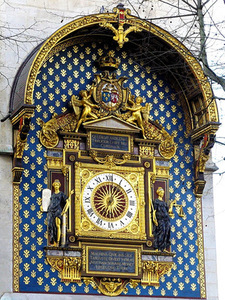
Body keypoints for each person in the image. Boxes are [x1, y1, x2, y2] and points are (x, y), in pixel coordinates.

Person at [47, 179, 73, 246]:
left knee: (58, 225)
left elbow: (67, 200)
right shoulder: (52, 195)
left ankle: (58, 242)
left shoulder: (61, 194)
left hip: (58, 210)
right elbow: (48, 203)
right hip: (51, 210)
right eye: (55, 185)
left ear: (59, 186)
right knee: (51, 225)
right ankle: (54, 239)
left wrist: (69, 196)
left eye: (57, 185)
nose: (56, 186)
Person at [152, 187, 171, 252]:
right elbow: (154, 211)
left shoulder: (164, 203)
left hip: (166, 219)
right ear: (159, 193)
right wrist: (154, 219)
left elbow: (169, 211)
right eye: (161, 193)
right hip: (160, 219)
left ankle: (163, 248)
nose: (162, 194)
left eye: (163, 193)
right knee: (161, 231)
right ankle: (158, 247)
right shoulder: (156, 201)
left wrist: (172, 204)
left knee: (166, 233)